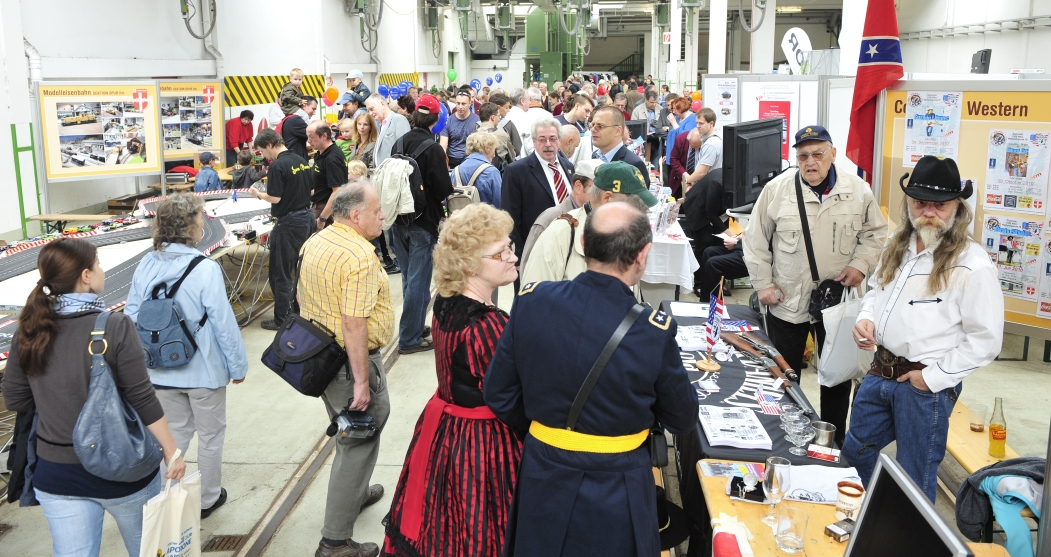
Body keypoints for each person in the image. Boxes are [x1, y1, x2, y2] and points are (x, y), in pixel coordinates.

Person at [484, 201, 699, 556]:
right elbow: (682, 417)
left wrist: (549, 428)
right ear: (642, 256)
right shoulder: (652, 331)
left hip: (544, 467)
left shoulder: (533, 302)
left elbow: (499, 394)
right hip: (619, 483)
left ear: (583, 243)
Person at [2, 238, 186, 557]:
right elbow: (142, 397)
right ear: (86, 275)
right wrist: (171, 451)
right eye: (98, 264)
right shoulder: (114, 326)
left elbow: (16, 399)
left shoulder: (28, 330)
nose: (101, 270)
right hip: (122, 469)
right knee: (149, 549)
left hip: (56, 474)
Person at [845, 156, 1002, 502]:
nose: (929, 212)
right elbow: (875, 290)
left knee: (913, 478)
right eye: (920, 202)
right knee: (854, 456)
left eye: (940, 205)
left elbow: (986, 340)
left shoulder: (972, 265)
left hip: (924, 386)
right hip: (880, 371)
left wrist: (931, 378)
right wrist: (865, 318)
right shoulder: (898, 244)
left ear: (957, 207)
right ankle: (853, 529)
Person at [382, 204, 522, 557]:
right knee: (481, 526)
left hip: (444, 430)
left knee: (442, 524)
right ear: (470, 263)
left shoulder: (445, 304)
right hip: (482, 444)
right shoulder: (489, 325)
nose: (512, 256)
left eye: (510, 246)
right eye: (501, 251)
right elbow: (513, 399)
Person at [743, 125, 888, 446]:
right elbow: (754, 240)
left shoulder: (858, 189)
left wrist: (860, 265)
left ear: (833, 154)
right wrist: (763, 284)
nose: (811, 161)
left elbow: (875, 234)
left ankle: (830, 442)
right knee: (783, 376)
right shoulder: (778, 189)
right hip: (788, 301)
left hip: (837, 301)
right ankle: (784, 437)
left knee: (836, 376)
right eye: (803, 155)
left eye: (818, 154)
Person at [125, 193, 248, 519]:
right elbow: (223, 322)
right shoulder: (205, 267)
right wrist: (237, 365)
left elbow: (132, 316)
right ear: (190, 224)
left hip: (159, 372)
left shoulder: (146, 263)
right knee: (210, 436)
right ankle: (207, 499)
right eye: (200, 216)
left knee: (174, 436)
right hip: (203, 370)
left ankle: (172, 493)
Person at [298, 183, 393, 557]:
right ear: (356, 216)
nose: (383, 215)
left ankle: (354, 492)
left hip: (321, 357)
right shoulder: (359, 256)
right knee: (358, 439)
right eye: (378, 210)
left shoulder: (316, 242)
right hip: (348, 361)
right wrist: (361, 381)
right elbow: (354, 322)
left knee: (356, 431)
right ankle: (335, 541)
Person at [521, 161, 657, 285]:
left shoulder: (627, 234)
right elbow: (534, 299)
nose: (640, 212)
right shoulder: (560, 233)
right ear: (607, 198)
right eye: (635, 205)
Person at [389, 95, 453, 354]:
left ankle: (413, 326)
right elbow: (441, 190)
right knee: (419, 280)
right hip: (423, 223)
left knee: (408, 277)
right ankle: (409, 339)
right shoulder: (433, 149)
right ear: (436, 119)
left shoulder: (399, 142)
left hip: (398, 219)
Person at [250, 129, 315, 330]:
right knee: (302, 271)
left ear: (269, 144)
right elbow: (311, 190)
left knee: (281, 273)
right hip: (307, 218)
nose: (264, 156)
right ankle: (300, 313)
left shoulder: (277, 166)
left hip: (289, 223)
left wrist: (257, 194)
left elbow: (275, 198)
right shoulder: (301, 160)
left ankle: (282, 320)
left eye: (262, 151)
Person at [501, 117, 576, 277]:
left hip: (568, 248)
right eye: (542, 139)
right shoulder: (516, 171)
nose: (548, 144)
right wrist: (520, 258)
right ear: (534, 142)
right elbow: (510, 218)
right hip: (535, 251)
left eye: (553, 139)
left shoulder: (568, 166)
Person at [519, 159, 601, 274]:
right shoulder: (550, 219)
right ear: (578, 186)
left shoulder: (603, 220)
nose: (603, 197)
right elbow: (528, 268)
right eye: (597, 190)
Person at [682, 168, 729, 285]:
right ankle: (699, 282)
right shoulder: (717, 183)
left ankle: (717, 284)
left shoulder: (736, 185)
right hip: (697, 208)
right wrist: (730, 234)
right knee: (703, 246)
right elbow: (711, 215)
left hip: (717, 211)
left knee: (721, 245)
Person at [589, 106, 650, 186]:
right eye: (592, 125)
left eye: (600, 126)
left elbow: (641, 197)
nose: (593, 130)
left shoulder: (633, 163)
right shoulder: (595, 155)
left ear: (618, 131)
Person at [308, 121, 350, 230]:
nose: (309, 141)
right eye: (307, 137)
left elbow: (337, 191)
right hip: (319, 204)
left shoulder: (332, 158)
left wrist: (322, 218)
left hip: (326, 209)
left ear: (324, 136)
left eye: (311, 137)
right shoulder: (322, 153)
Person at [450, 132, 502, 207]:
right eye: (494, 149)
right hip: (485, 217)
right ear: (486, 148)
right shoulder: (491, 172)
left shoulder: (455, 171)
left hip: (461, 217)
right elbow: (499, 203)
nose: (494, 155)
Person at [681, 108, 722, 189]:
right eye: (697, 123)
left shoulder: (711, 143)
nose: (697, 126)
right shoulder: (716, 138)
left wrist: (688, 181)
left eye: (701, 123)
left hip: (708, 187)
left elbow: (701, 173)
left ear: (711, 123)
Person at [367, 93, 411, 167]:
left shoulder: (398, 119)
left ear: (382, 104)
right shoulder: (381, 124)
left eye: (372, 109)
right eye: (368, 110)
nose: (370, 113)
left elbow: (405, 150)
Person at [441, 91, 481, 169]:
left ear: (470, 103)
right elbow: (443, 145)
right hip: (452, 161)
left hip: (470, 160)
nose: (460, 106)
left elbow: (479, 144)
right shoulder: (449, 120)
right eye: (458, 103)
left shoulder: (477, 120)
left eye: (463, 104)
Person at [475, 101, 516, 169]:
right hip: (497, 172)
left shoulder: (473, 135)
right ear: (493, 117)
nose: (499, 119)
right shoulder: (502, 135)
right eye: (498, 116)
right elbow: (512, 157)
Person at [282, 95, 317, 161]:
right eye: (313, 109)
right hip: (296, 161)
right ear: (304, 106)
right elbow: (314, 135)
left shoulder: (291, 118)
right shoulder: (296, 120)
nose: (314, 113)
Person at [489, 93, 523, 158]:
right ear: (498, 108)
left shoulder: (479, 124)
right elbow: (518, 149)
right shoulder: (508, 124)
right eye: (506, 107)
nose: (508, 110)